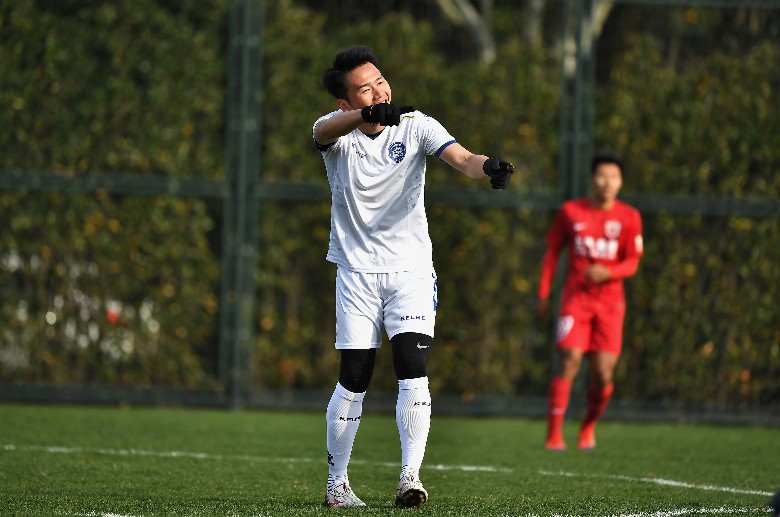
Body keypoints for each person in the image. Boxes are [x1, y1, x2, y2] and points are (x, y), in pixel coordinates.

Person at [313, 45, 514, 508]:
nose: (381, 90)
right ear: (347, 102)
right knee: (355, 376)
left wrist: (490, 168)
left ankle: (410, 478)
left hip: (412, 272)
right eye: (365, 88)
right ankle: (337, 486)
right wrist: (364, 114)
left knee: (412, 367)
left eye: (381, 80)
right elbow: (322, 130)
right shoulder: (337, 133)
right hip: (357, 273)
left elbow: (462, 159)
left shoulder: (416, 123)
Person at [537, 152, 643, 451]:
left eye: (614, 177)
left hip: (610, 305)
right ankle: (554, 434)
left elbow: (633, 262)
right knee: (569, 360)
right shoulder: (571, 211)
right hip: (575, 301)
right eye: (602, 176)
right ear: (592, 179)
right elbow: (551, 254)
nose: (607, 182)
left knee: (603, 372)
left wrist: (608, 271)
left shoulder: (630, 217)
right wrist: (543, 293)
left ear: (620, 182)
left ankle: (588, 427)